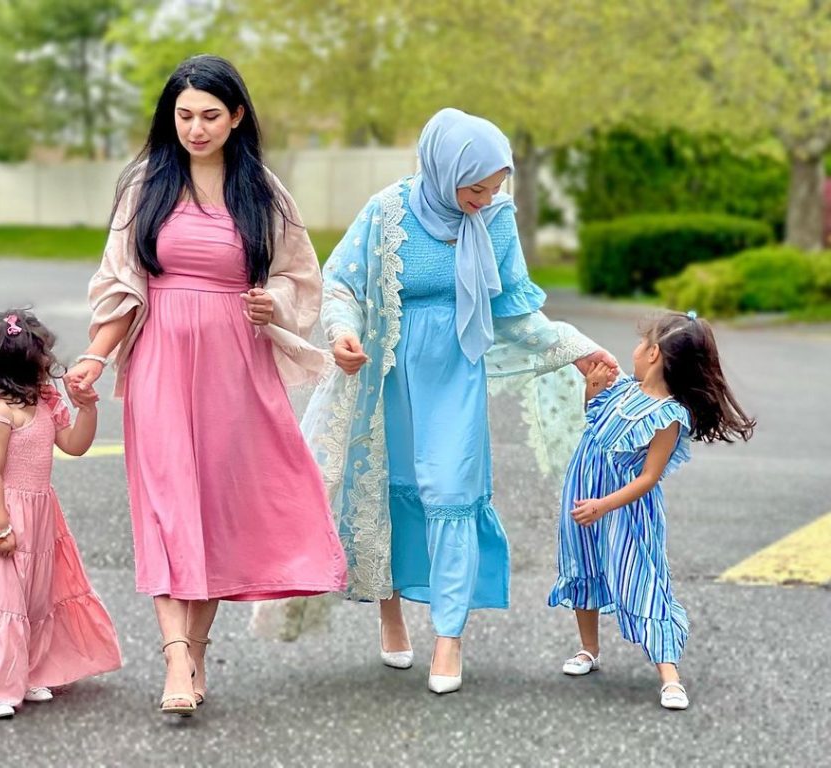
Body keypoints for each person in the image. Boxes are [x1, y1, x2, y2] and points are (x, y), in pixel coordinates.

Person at [298, 108, 617, 694]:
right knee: (393, 489)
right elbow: (340, 281)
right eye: (476, 187)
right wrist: (342, 331)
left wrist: (578, 348)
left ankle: (449, 637)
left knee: (451, 491)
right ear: (444, 170)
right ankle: (389, 613)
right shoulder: (388, 211)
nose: (485, 197)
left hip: (455, 374)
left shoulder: (495, 217)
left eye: (495, 187)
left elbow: (515, 309)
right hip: (388, 369)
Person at [64, 55, 346, 717]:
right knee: (168, 505)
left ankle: (194, 652)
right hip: (162, 360)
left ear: (237, 116)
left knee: (213, 509)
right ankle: (175, 662)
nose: (195, 128)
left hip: (235, 368)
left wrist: (270, 302)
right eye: (184, 115)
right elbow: (123, 284)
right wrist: (98, 358)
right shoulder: (146, 186)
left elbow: (300, 279)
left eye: (209, 115)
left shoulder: (263, 192)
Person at [548, 310, 754, 710]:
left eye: (642, 344)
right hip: (582, 493)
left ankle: (669, 674)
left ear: (655, 353)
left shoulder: (668, 415)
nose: (635, 350)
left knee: (642, 578)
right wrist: (590, 391)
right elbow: (595, 424)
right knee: (583, 564)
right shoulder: (624, 388)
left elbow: (648, 477)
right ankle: (589, 649)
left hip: (624, 510)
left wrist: (603, 505)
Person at [0, 309, 122, 719]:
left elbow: (74, 445)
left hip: (40, 515)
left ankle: (27, 671)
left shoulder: (46, 405)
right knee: (4, 602)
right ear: (19, 362)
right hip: (7, 517)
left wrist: (86, 409)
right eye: (41, 355)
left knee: (35, 600)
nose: (49, 362)